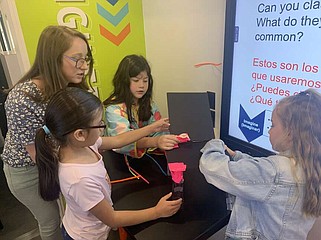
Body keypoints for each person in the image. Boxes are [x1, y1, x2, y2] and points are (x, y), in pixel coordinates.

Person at [35, 87, 182, 240]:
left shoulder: (81, 145)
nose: (102, 129)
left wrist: (152, 127)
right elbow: (112, 219)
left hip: (89, 224)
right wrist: (157, 212)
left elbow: (118, 140)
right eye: (99, 124)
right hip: (87, 236)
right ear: (80, 134)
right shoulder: (79, 179)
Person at [1, 25, 94, 240]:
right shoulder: (21, 99)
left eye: (86, 59)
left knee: (67, 213)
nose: (84, 66)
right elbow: (40, 155)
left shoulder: (67, 87)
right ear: (53, 58)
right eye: (77, 59)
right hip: (28, 172)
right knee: (50, 220)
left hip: (56, 160)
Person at [199, 88, 321, 239]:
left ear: (290, 132)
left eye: (273, 125)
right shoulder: (310, 166)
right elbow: (263, 172)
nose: (269, 131)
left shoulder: (275, 172)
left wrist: (215, 143)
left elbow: (212, 167)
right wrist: (237, 156)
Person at [103, 54, 180, 158]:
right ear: (124, 81)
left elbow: (159, 132)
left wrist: (165, 141)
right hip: (119, 160)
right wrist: (155, 140)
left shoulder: (149, 104)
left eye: (145, 80)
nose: (142, 86)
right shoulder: (114, 108)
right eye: (136, 80)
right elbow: (121, 141)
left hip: (146, 157)